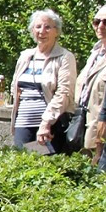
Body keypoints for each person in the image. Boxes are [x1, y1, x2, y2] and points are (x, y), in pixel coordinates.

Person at [9, 9, 76, 154]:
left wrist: (46, 123)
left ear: (56, 31)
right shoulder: (25, 56)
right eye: (38, 27)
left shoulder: (65, 57)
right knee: (22, 164)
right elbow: (15, 87)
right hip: (23, 122)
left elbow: (64, 93)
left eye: (47, 27)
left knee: (45, 168)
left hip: (51, 124)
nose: (42, 31)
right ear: (32, 30)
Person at [73, 4, 106, 157]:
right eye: (96, 21)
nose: (100, 26)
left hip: (102, 134)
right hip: (81, 127)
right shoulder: (95, 53)